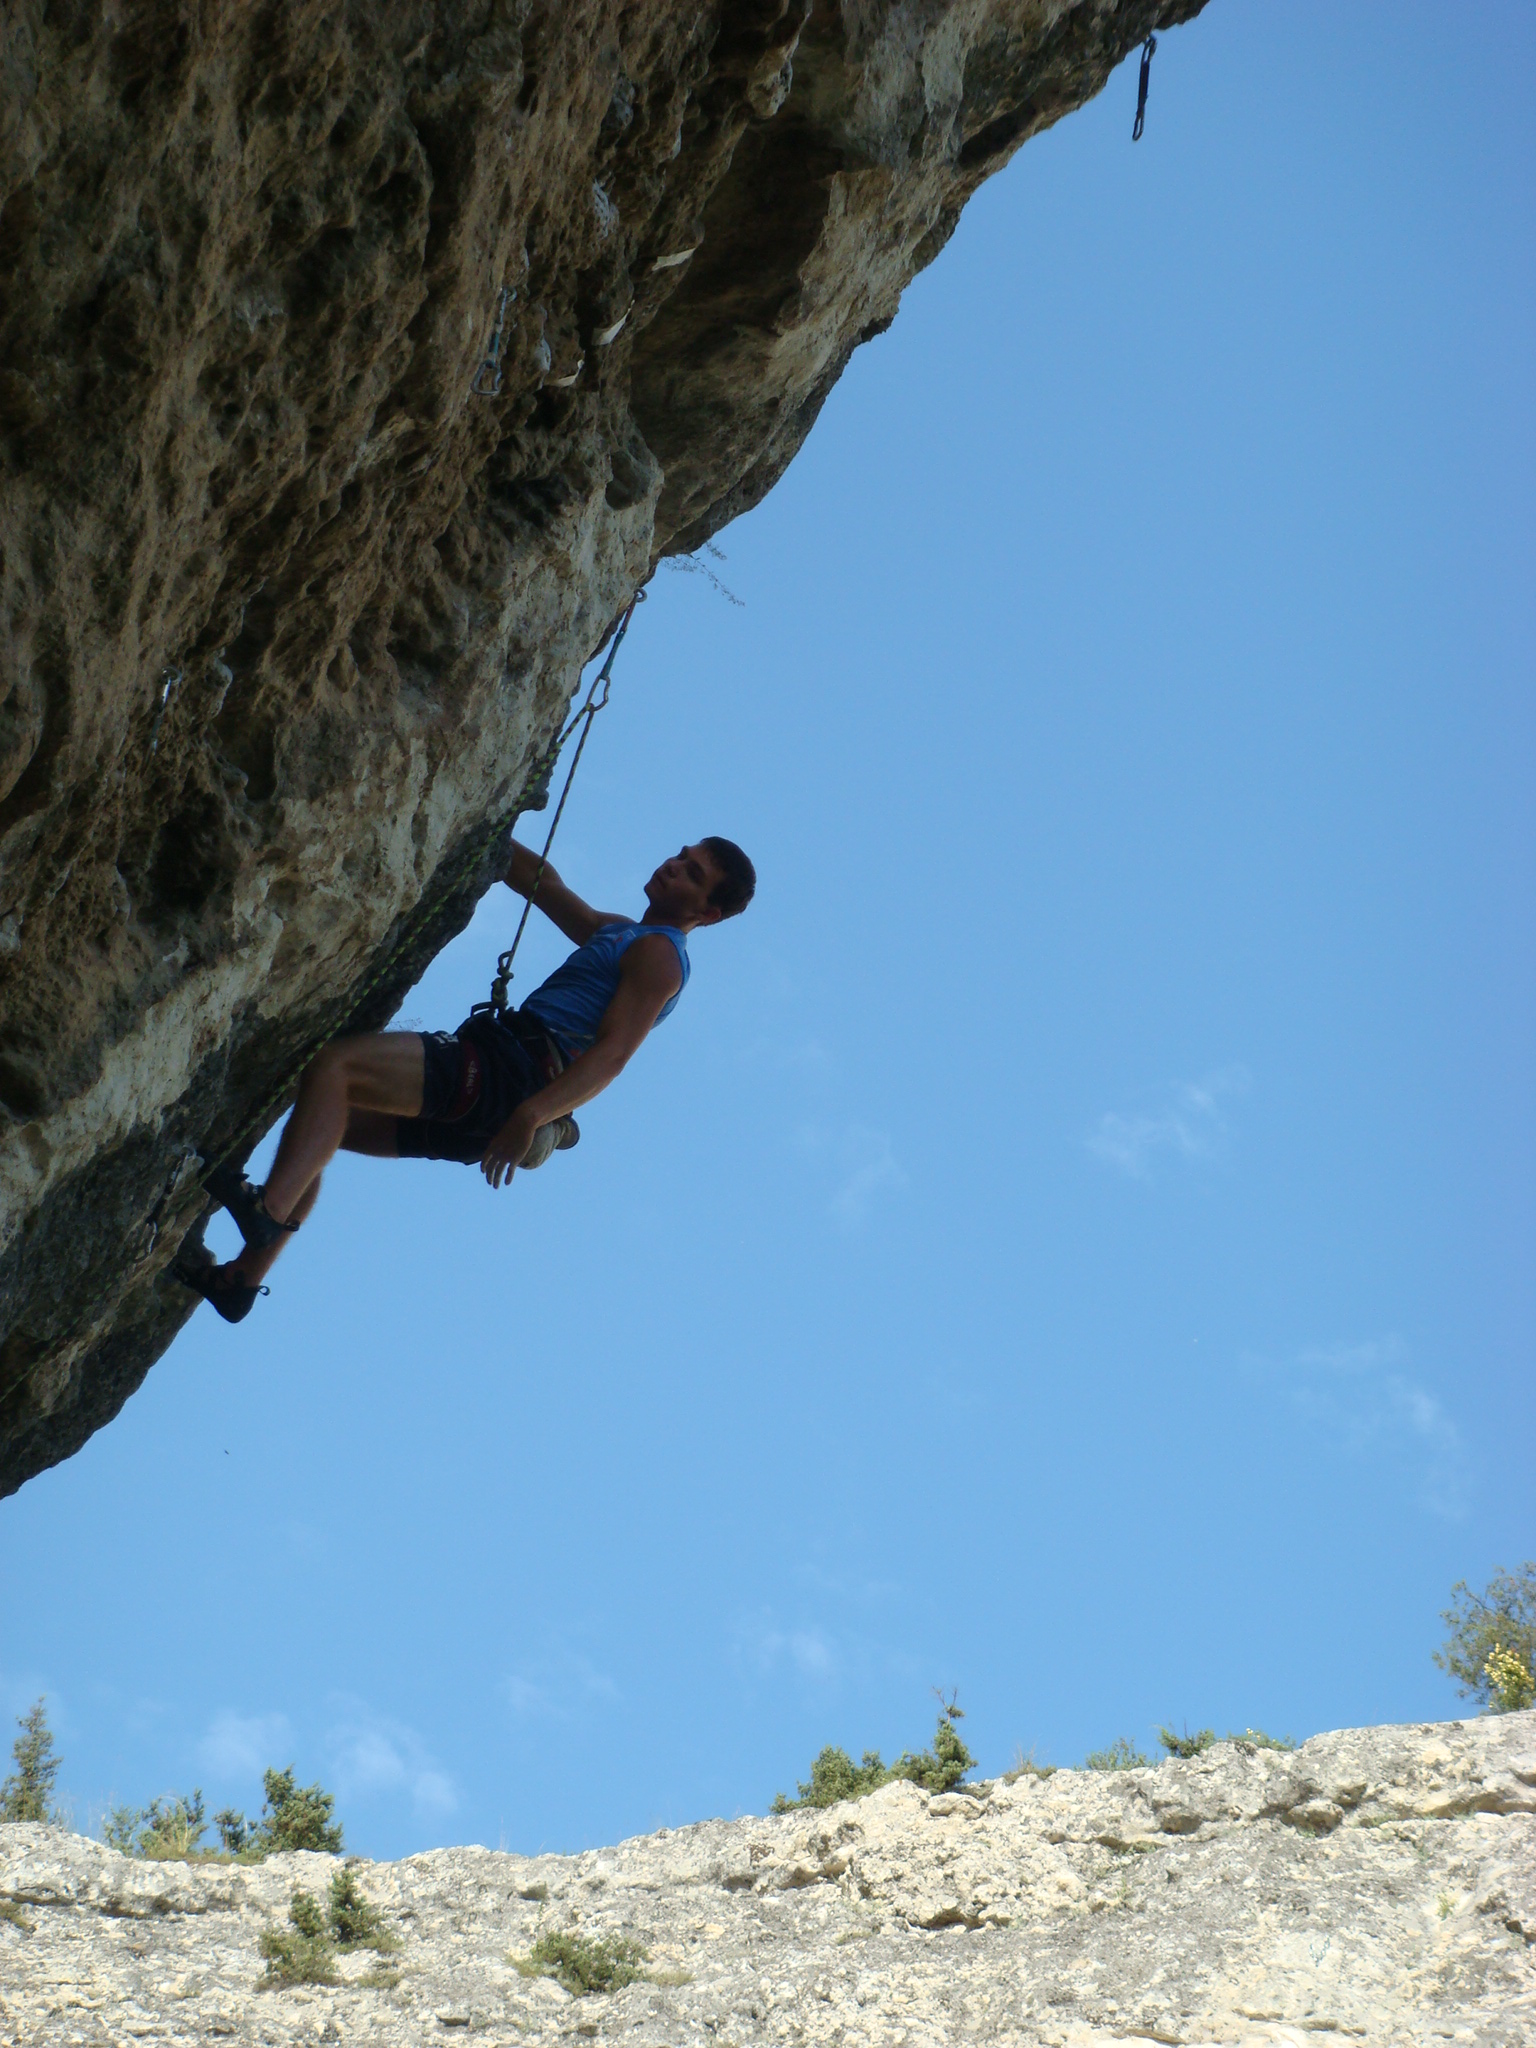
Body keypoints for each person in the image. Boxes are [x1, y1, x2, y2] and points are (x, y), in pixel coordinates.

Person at [178, 835, 755, 1322]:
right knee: (328, 1122)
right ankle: (240, 1283)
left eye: (692, 872)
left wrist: (532, 1115)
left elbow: (613, 1055)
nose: (674, 864)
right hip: (496, 1104)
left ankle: (267, 1212)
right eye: (681, 854)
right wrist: (496, 830)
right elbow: (547, 886)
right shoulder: (623, 933)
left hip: (510, 1077)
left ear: (706, 913)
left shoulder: (659, 957)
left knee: (336, 1066)